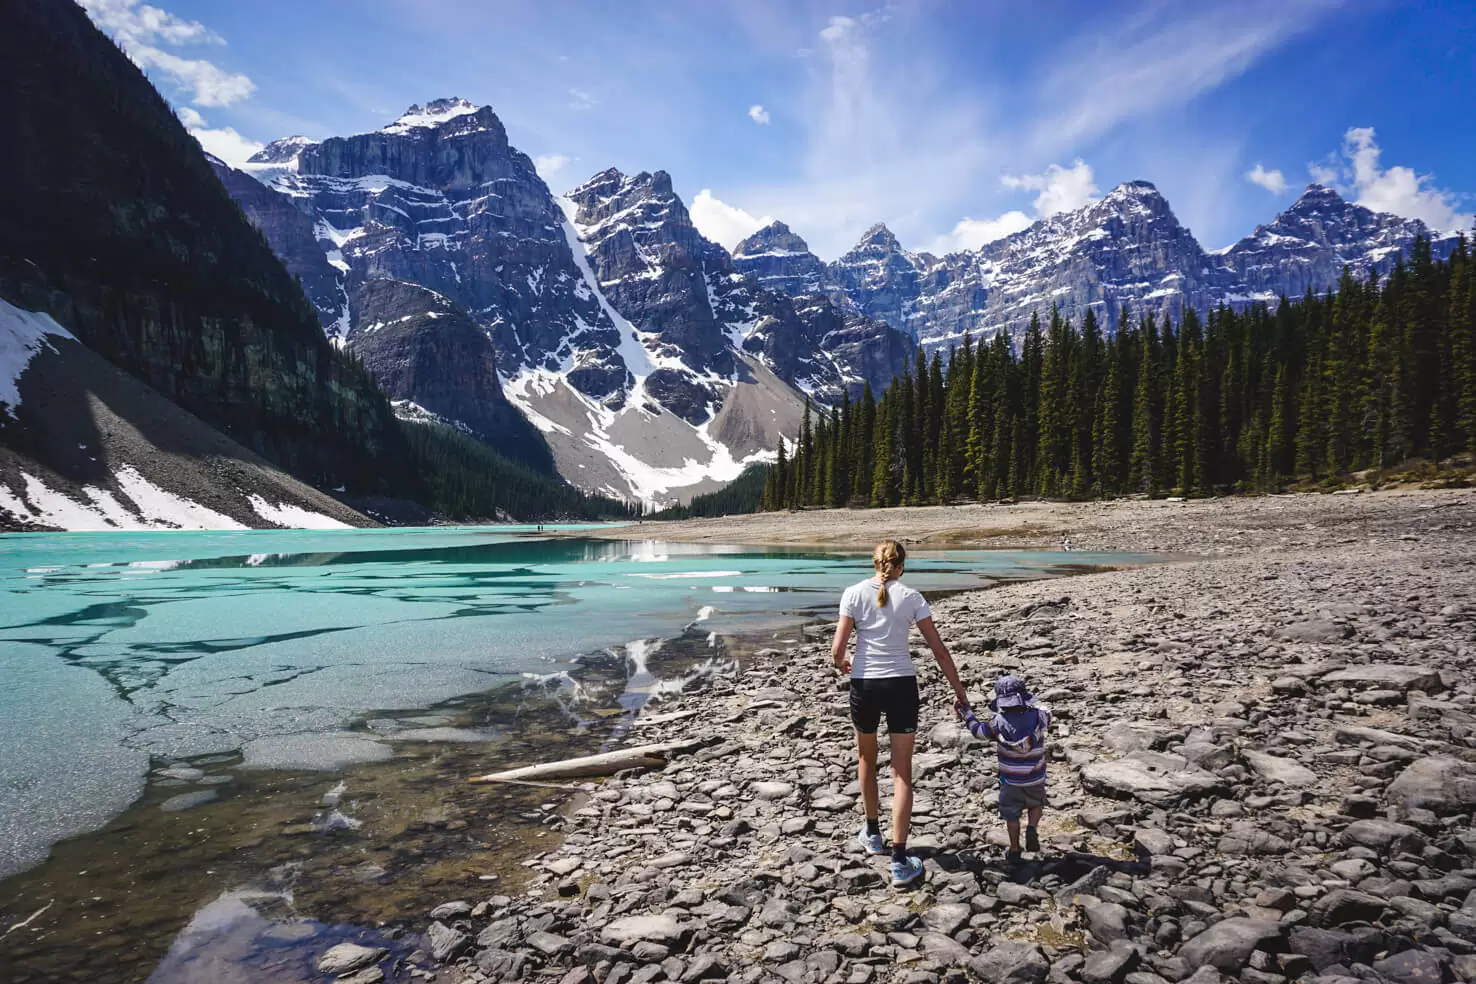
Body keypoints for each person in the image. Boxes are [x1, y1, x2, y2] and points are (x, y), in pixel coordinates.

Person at [831, 540, 968, 888]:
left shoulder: (853, 594)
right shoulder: (912, 597)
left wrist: (843, 662)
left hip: (865, 684)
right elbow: (938, 650)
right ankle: (899, 858)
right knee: (902, 771)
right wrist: (959, 691)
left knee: (866, 758)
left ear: (874, 563)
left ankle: (873, 832)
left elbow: (837, 650)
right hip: (901, 685)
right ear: (901, 566)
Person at [955, 675, 1052, 863]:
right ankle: (1032, 827)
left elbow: (978, 731)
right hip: (1035, 778)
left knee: (1011, 814)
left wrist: (967, 714)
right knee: (1036, 804)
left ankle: (1015, 849)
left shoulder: (997, 722)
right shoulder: (1040, 717)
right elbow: (1047, 711)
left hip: (1010, 781)